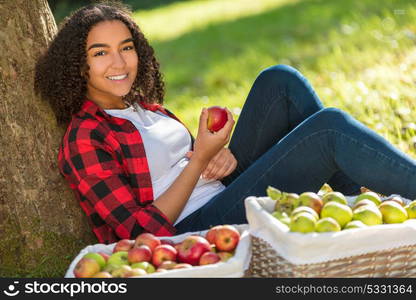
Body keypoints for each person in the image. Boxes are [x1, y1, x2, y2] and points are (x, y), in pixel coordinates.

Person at [35, 2, 416, 244]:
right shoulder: (85, 137)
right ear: (77, 65)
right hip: (197, 230)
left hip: (222, 190)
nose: (119, 63)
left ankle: (361, 206)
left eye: (126, 47)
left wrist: (223, 157)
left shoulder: (143, 108)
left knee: (280, 81)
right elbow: (140, 233)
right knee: (328, 129)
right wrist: (200, 160)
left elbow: (185, 165)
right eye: (100, 53)